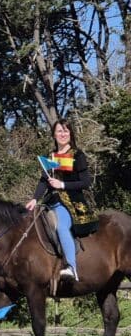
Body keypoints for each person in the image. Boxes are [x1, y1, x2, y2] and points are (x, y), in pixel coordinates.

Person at [25, 119, 97, 281]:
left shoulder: (78, 155)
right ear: (53, 134)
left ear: (70, 134)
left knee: (61, 226)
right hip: (51, 201)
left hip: (72, 203)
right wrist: (35, 199)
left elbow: (86, 182)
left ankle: (71, 267)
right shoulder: (50, 157)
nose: (62, 134)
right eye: (59, 131)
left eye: (65, 131)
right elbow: (44, 181)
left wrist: (62, 184)